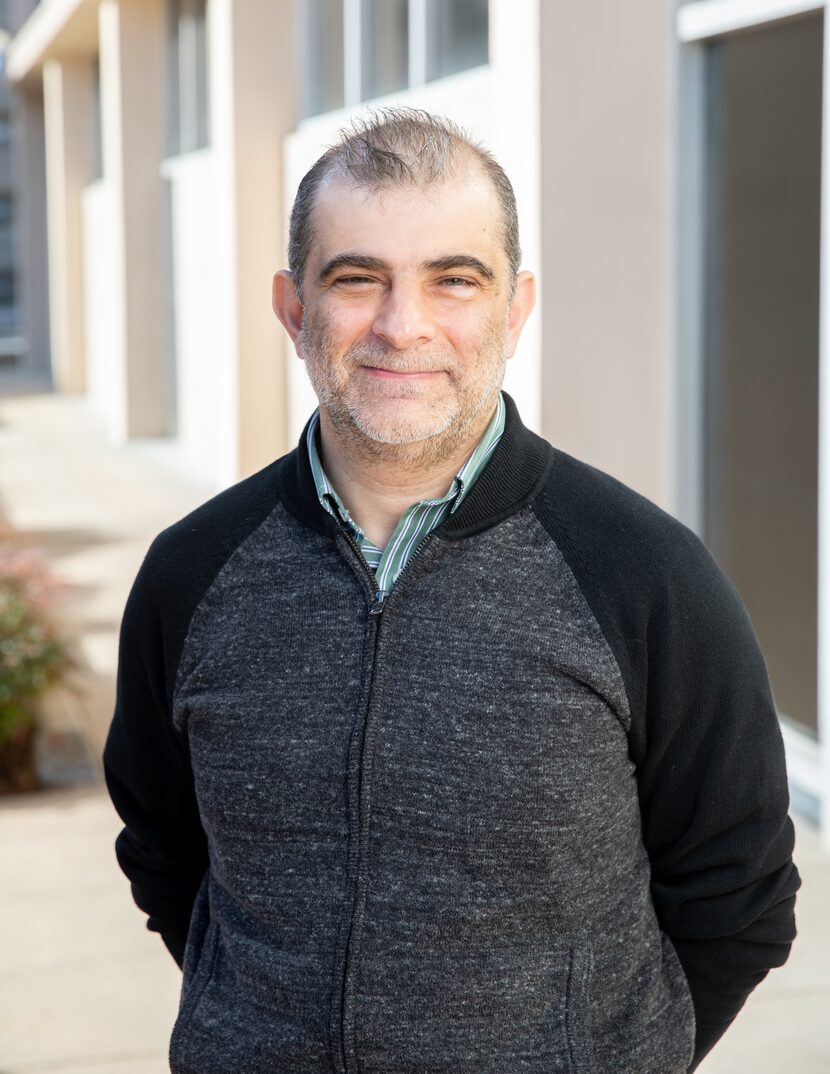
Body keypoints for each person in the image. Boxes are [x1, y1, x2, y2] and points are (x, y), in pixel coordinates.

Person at [103, 108, 799, 1074]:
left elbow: (739, 900)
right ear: (293, 307)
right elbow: (163, 850)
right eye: (357, 279)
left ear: (513, 309)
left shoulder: (646, 576)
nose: (404, 325)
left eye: (453, 279)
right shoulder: (193, 570)